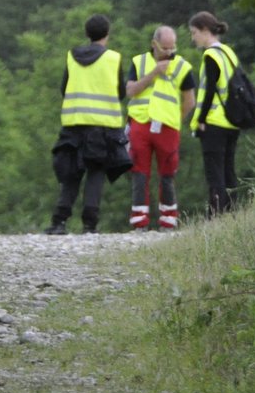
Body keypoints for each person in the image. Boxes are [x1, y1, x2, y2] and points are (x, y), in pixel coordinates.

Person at [46, 14, 132, 235]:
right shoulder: (113, 58)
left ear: (87, 34)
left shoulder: (71, 56)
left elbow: (64, 89)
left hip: (74, 123)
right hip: (102, 126)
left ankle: (59, 221)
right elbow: (121, 92)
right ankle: (89, 224)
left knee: (71, 173)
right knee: (96, 172)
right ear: (107, 34)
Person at [125, 25, 196, 230]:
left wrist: (176, 118)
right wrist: (154, 73)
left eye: (172, 48)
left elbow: (190, 101)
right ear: (154, 44)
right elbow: (130, 91)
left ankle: (169, 220)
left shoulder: (183, 67)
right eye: (165, 48)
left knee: (167, 172)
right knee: (139, 171)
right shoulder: (139, 62)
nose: (169, 53)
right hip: (141, 123)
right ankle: (139, 221)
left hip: (168, 128)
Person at [188, 10, 242, 215]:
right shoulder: (229, 52)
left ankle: (216, 216)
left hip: (214, 122)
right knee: (229, 171)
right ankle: (233, 213)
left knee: (215, 174)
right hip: (232, 121)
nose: (193, 38)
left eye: (194, 33)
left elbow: (210, 89)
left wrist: (201, 119)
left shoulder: (210, 55)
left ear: (204, 30)